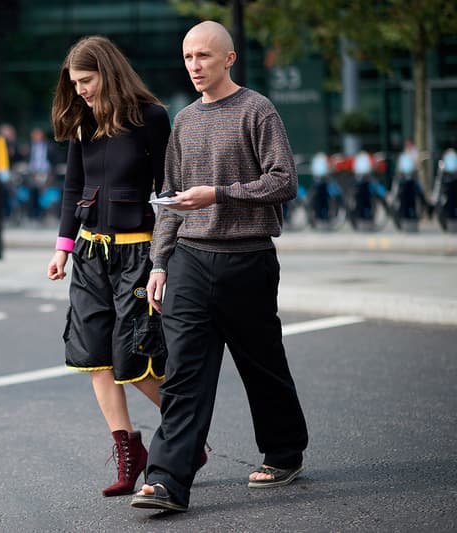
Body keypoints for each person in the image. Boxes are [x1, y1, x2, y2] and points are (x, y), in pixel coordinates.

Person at [130, 21, 309, 512]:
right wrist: (159, 263)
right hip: (189, 260)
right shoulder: (185, 121)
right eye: (188, 57)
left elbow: (284, 181)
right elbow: (170, 199)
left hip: (248, 259)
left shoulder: (257, 110)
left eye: (204, 56)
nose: (195, 66)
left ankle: (285, 452)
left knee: (262, 365)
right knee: (184, 373)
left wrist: (219, 194)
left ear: (229, 59)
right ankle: (166, 480)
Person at [46, 35, 181, 497]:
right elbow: (73, 188)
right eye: (74, 83)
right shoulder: (82, 122)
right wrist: (62, 248)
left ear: (108, 72)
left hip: (136, 253)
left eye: (86, 80)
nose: (80, 90)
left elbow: (167, 190)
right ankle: (129, 454)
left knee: (134, 359)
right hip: (89, 253)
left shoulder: (151, 117)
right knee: (93, 357)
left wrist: (164, 257)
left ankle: (184, 435)